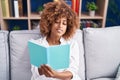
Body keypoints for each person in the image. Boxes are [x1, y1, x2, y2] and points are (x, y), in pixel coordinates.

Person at [31, 0, 81, 80]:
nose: (60, 26)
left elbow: (72, 72)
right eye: (57, 22)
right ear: (49, 23)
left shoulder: (72, 44)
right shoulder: (37, 44)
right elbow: (35, 72)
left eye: (64, 23)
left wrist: (55, 75)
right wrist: (42, 69)